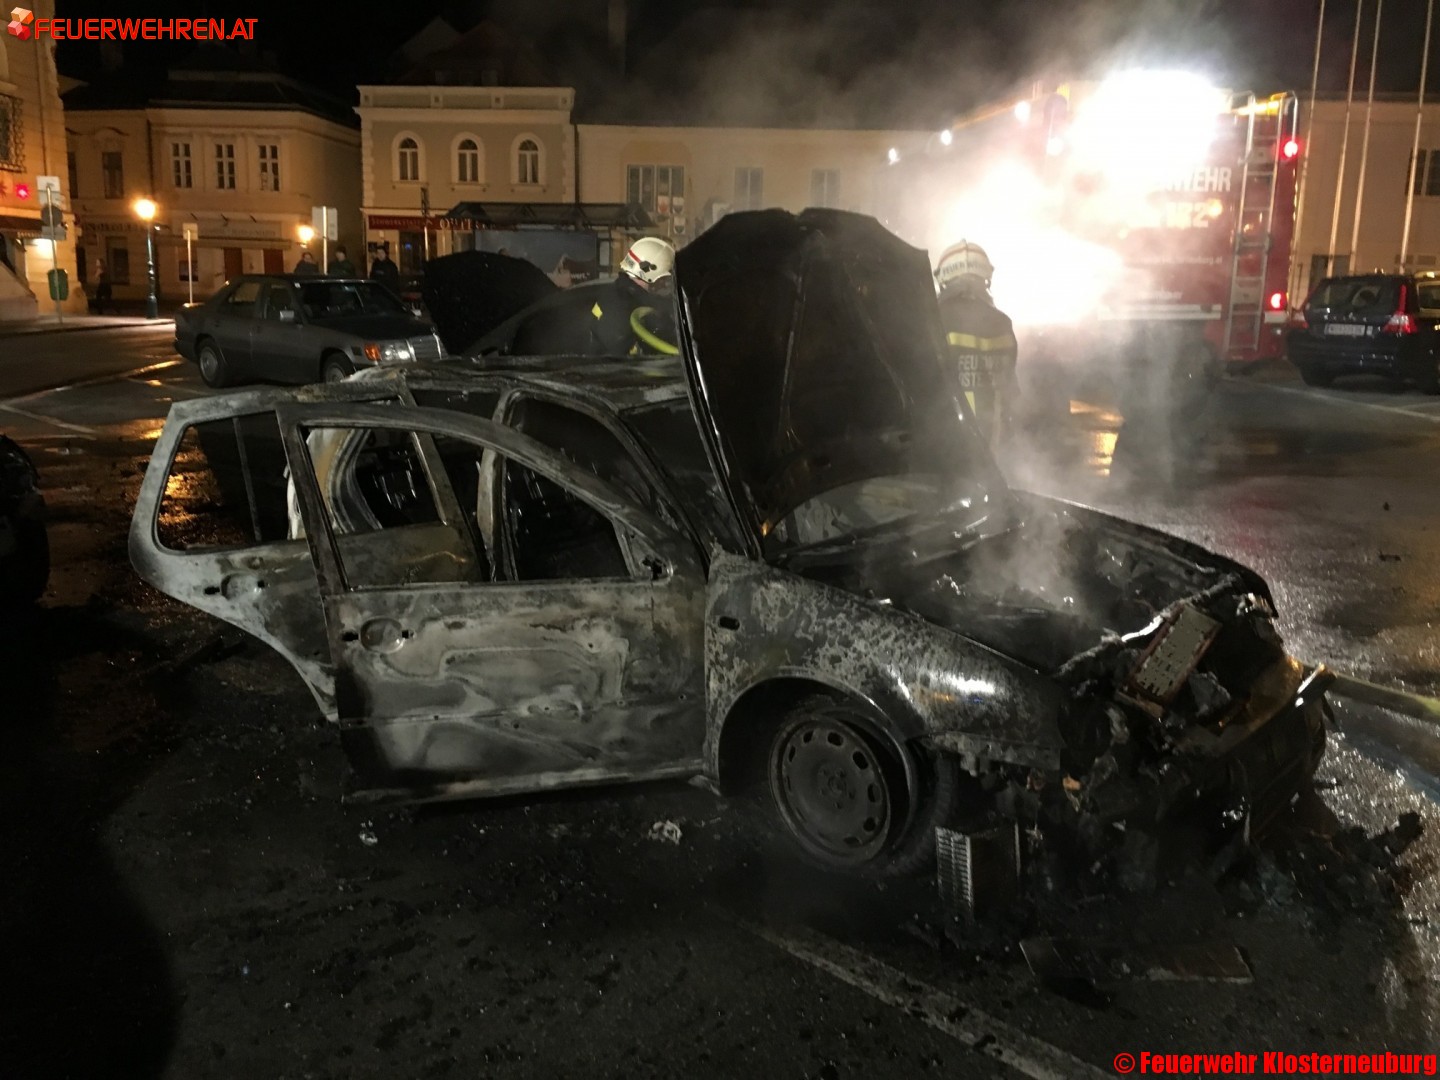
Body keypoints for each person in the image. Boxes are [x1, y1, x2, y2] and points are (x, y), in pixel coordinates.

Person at [934, 240, 1017, 450]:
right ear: (986, 280)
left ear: (944, 281)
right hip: (996, 440)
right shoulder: (1003, 322)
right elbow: (1010, 388)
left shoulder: (934, 319)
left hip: (950, 441)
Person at [590, 236, 678, 356]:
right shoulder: (622, 308)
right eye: (664, 277)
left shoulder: (618, 292)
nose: (665, 283)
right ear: (652, 274)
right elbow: (623, 360)